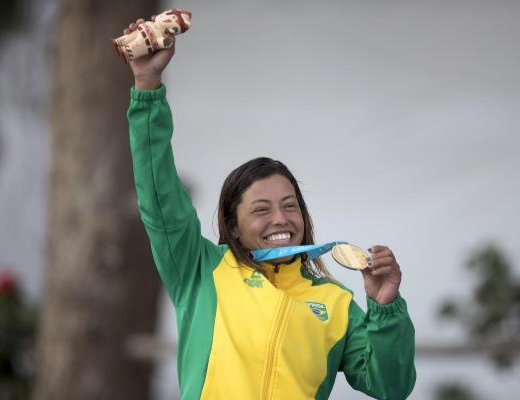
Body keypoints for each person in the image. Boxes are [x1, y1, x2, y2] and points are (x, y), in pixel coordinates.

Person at [123, 18, 416, 400]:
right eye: (261, 209)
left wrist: (385, 308)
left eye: (290, 206)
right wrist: (147, 88)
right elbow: (158, 192)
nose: (281, 219)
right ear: (233, 222)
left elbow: (391, 387)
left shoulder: (336, 303)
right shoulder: (200, 270)